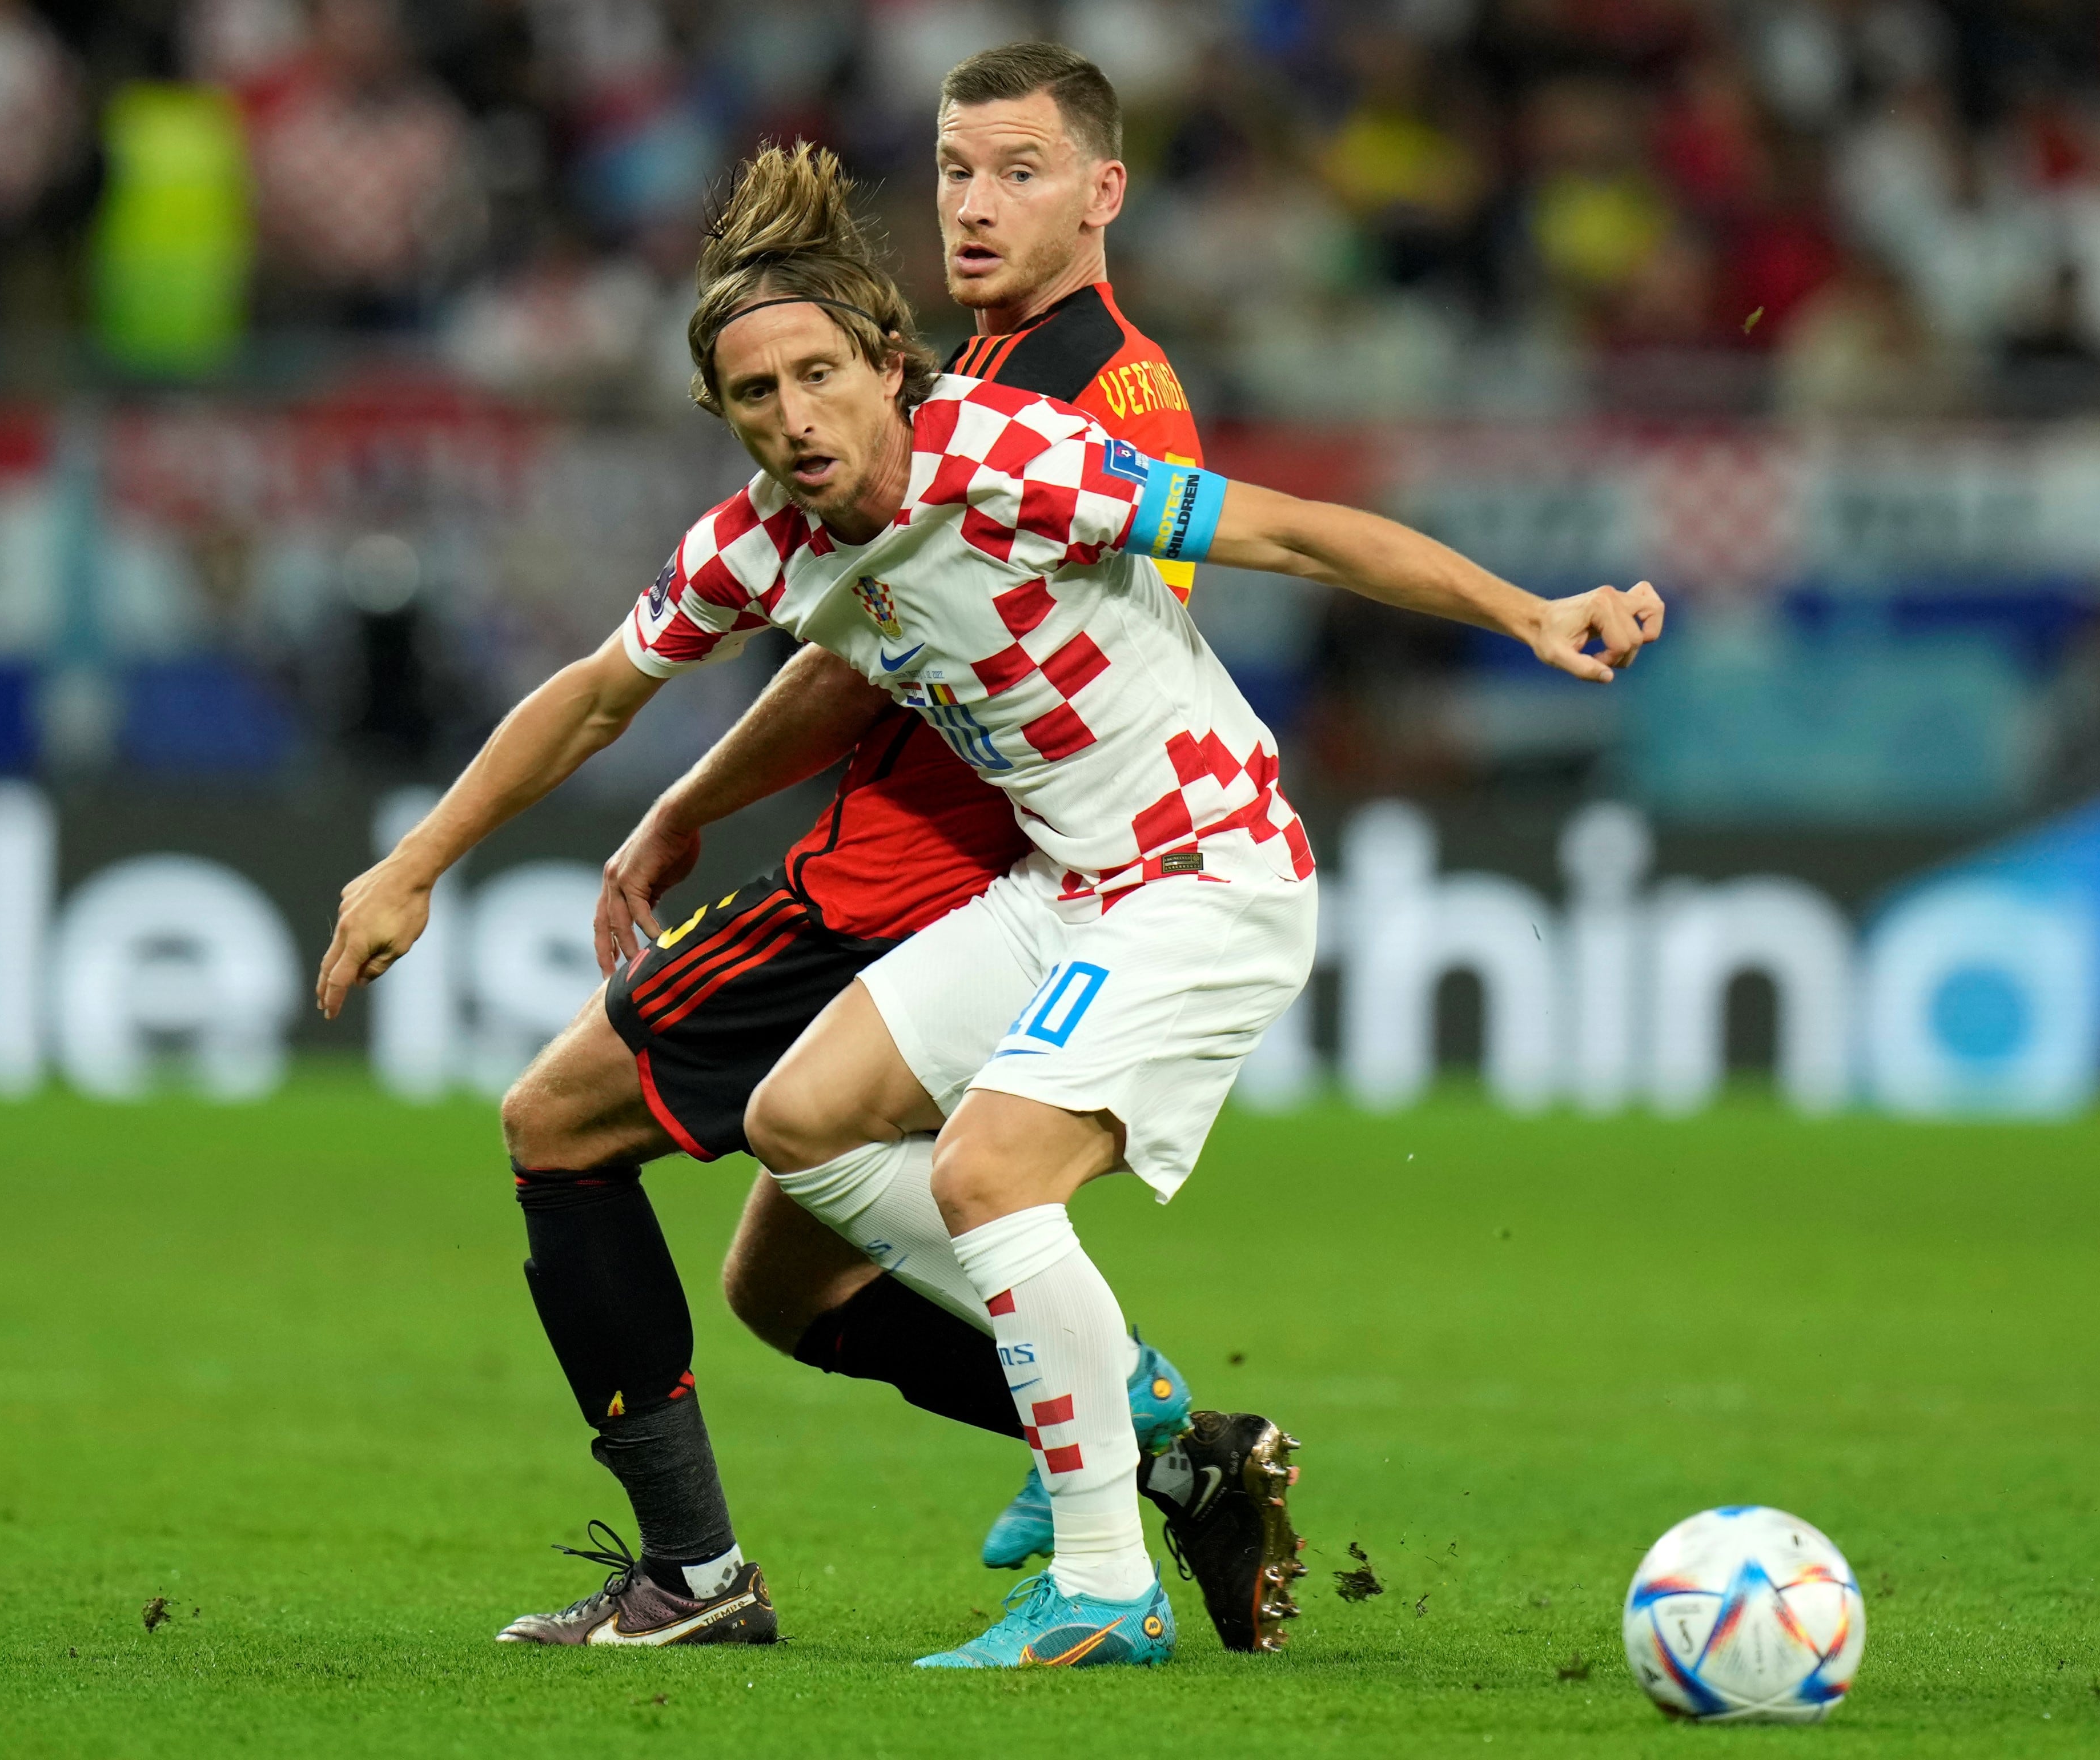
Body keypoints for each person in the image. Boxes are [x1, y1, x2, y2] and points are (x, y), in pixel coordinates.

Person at [315, 45, 1288, 1653]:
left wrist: (689, 799)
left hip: (936, 864)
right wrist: (694, 797)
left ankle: (716, 1572)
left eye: (1019, 171)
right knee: (792, 1287)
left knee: (558, 1121)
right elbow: (848, 622)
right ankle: (1171, 1461)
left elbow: (980, 655)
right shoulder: (972, 363)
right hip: (936, 854)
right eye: (956, 168)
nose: (973, 203)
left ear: (1103, 191)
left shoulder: (1079, 396)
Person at [646, 142, 1657, 1668]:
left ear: (881, 365)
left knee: (989, 1177)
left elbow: (1296, 531)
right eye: (756, 392)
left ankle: (1106, 1576)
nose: (791, 414)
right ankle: (1125, 1391)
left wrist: (1526, 607)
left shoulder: (1035, 447)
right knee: (798, 1123)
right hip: (1065, 883)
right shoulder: (789, 534)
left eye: (1013, 169)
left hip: (1202, 873)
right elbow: (633, 685)